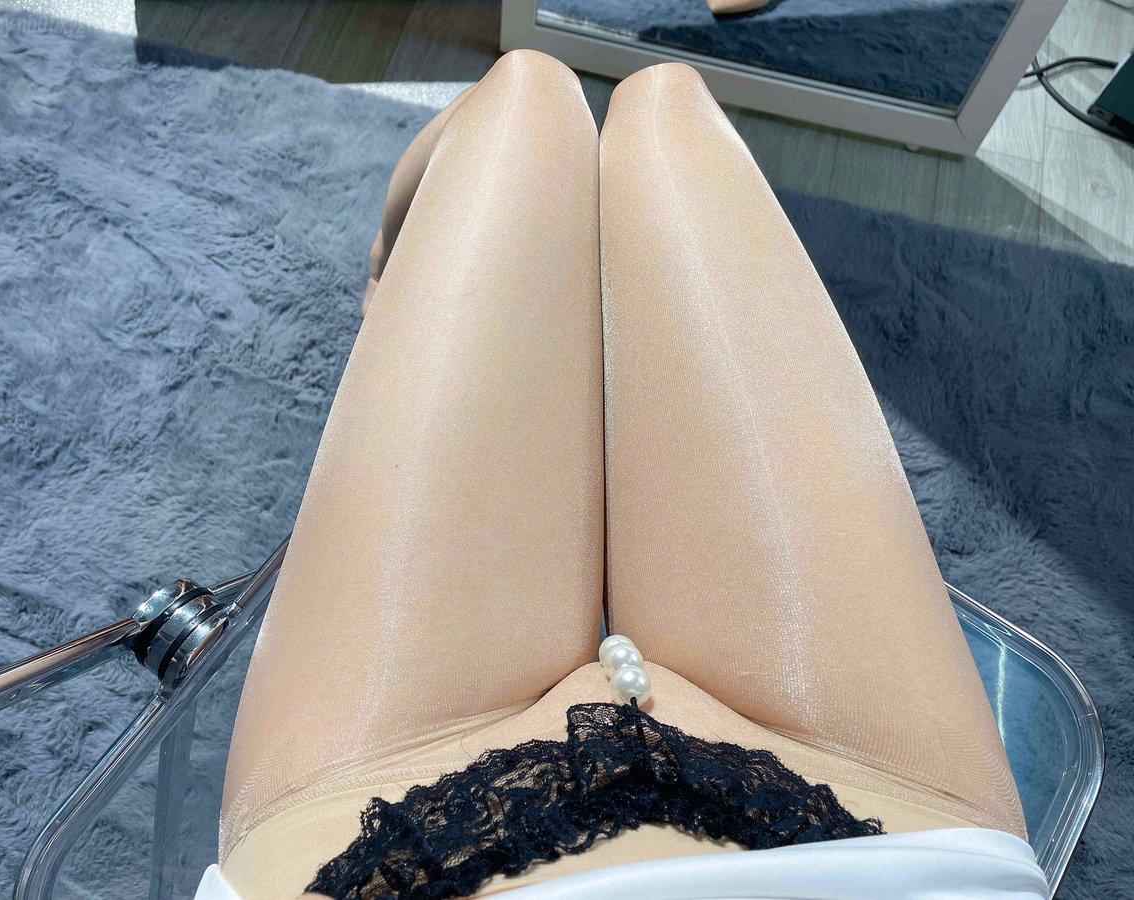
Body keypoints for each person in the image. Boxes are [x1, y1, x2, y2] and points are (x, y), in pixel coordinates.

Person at [198, 51, 1049, 899]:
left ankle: (392, 274)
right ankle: (401, 275)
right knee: (659, 102)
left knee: (528, 96)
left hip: (375, 833)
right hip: (896, 836)